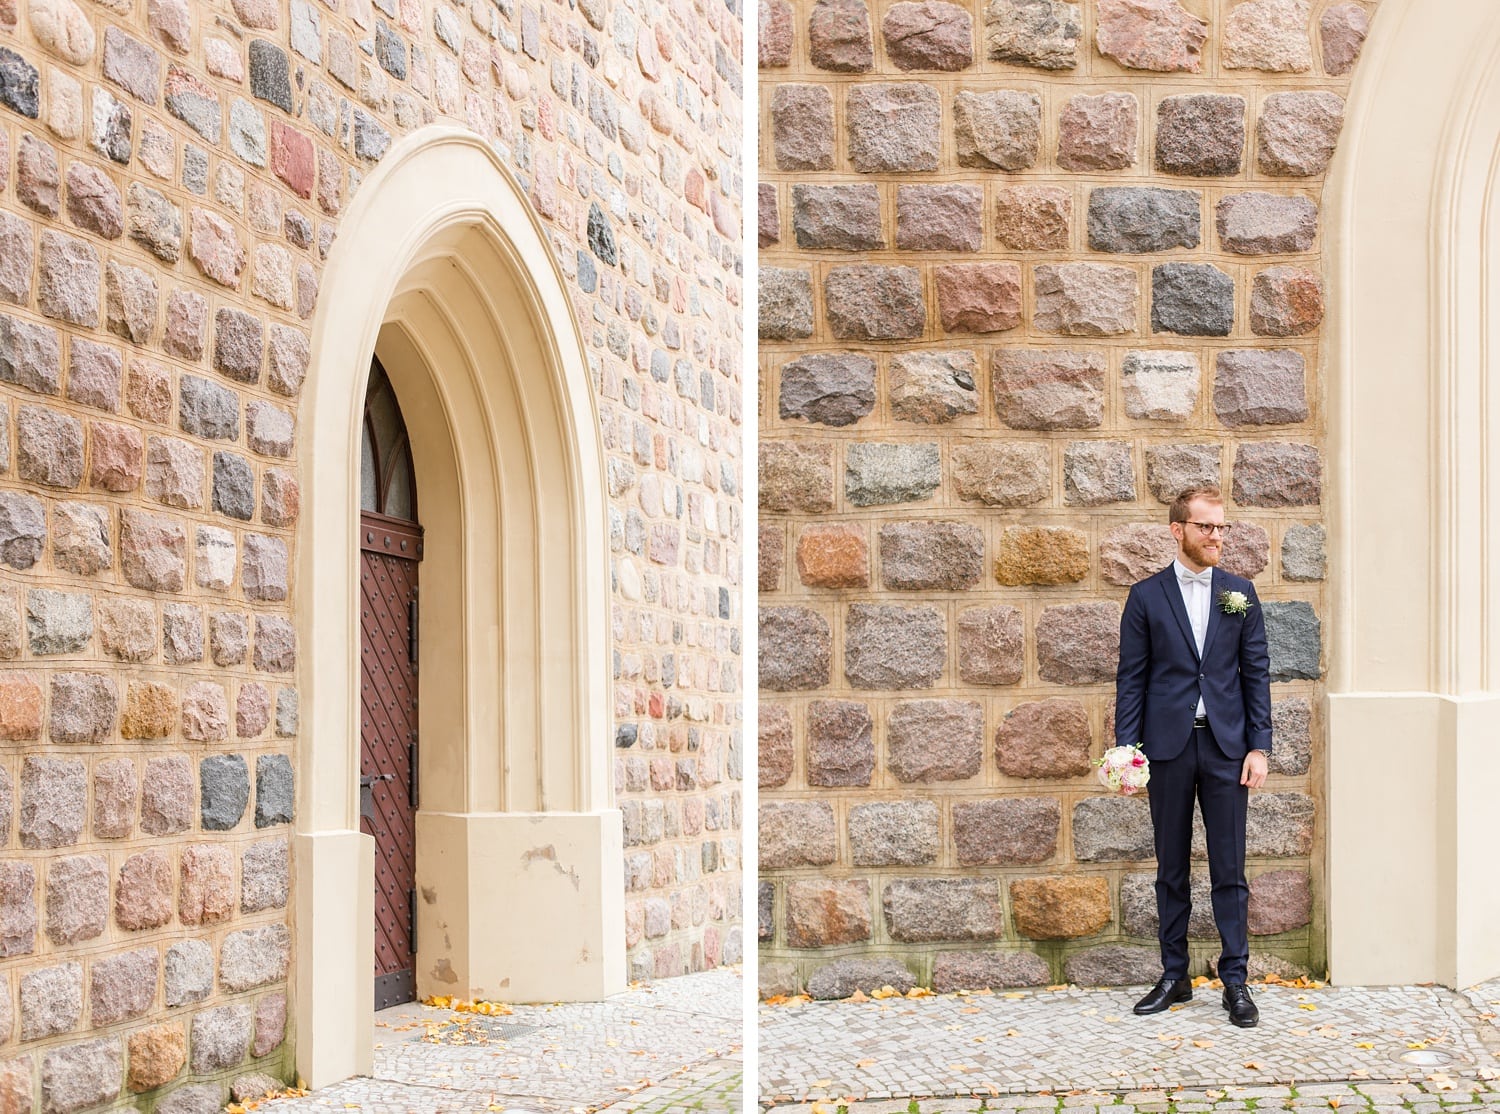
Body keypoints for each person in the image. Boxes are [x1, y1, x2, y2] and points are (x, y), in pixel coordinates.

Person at [1114, 485, 1272, 1028]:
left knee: (1230, 870)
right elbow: (1131, 680)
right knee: (1171, 869)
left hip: (1228, 749)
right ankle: (1174, 975)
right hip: (1167, 751)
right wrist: (1126, 754)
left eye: (1222, 527)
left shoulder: (1241, 593)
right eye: (1206, 526)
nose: (1217, 536)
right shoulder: (1146, 597)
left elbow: (1256, 674)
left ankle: (1236, 982)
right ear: (1178, 530)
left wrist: (1259, 746)